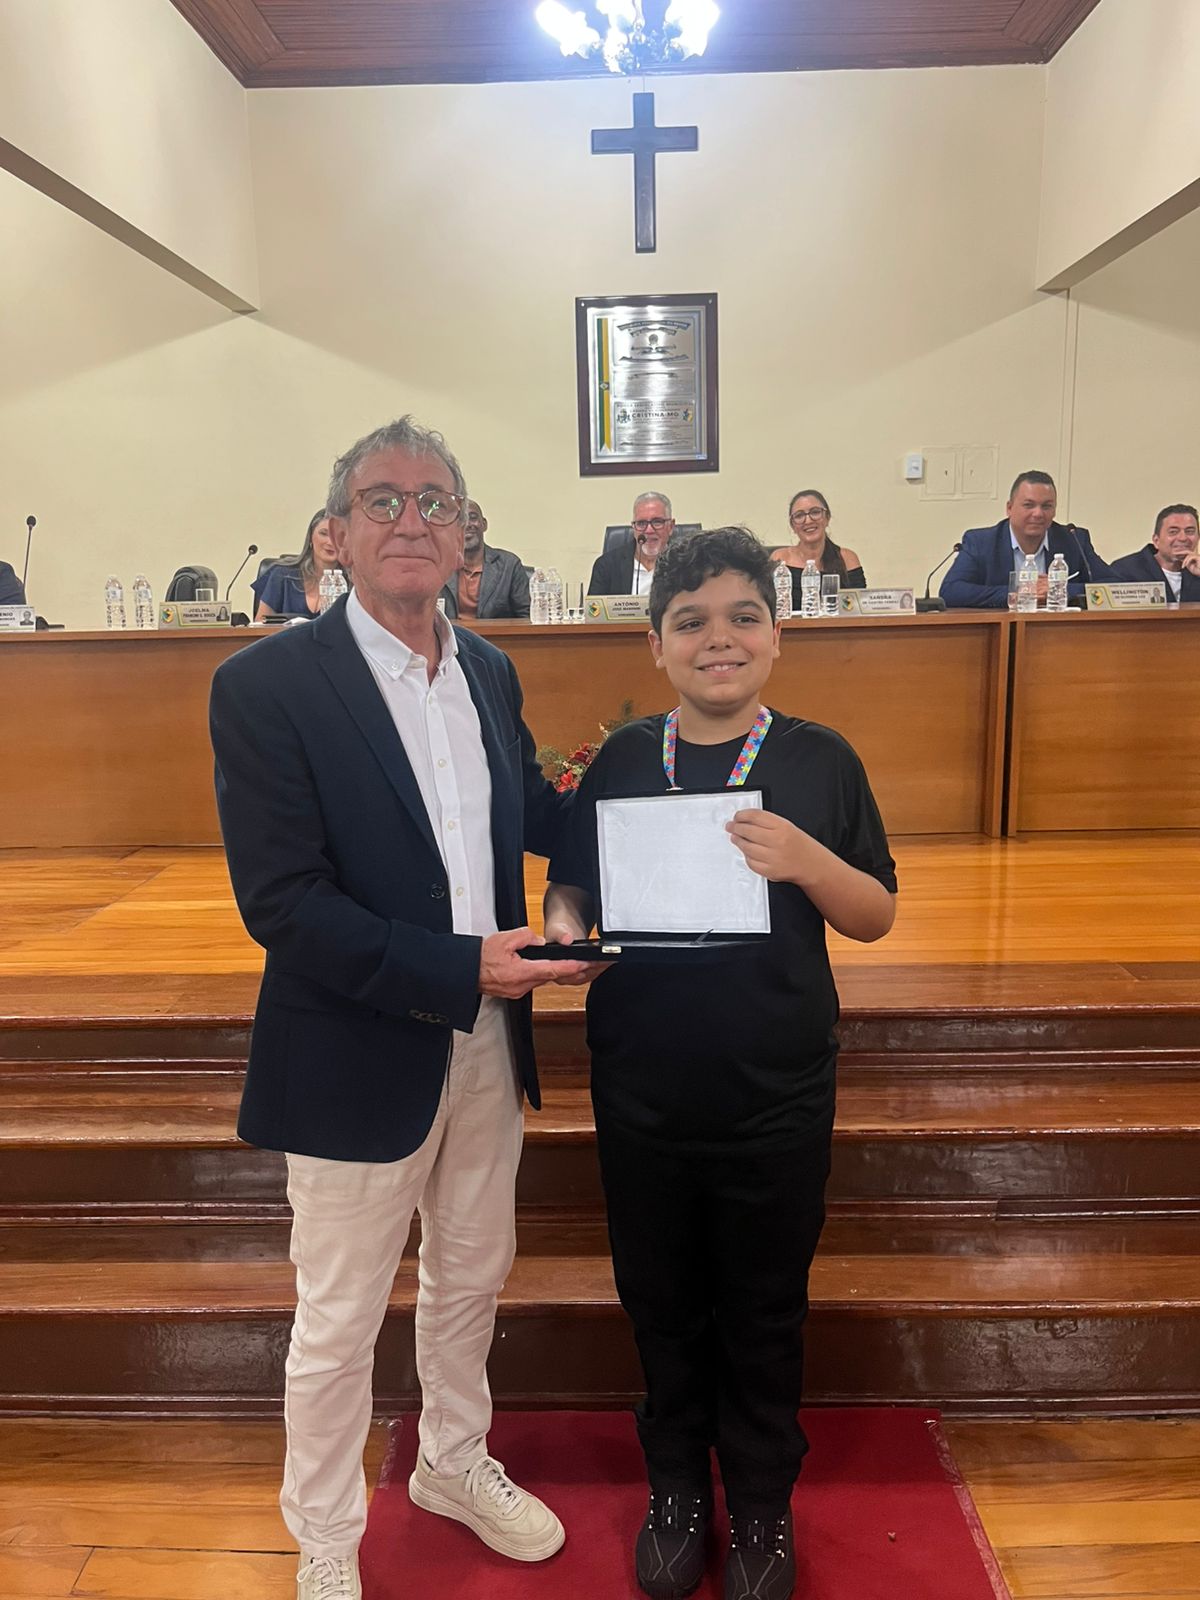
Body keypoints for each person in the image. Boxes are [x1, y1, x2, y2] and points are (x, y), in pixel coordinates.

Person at [209, 416, 602, 1600]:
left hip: (487, 1042)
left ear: (466, 537)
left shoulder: (486, 669)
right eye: (383, 500)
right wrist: (461, 968)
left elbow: (536, 813)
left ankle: (451, 1460)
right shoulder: (265, 686)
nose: (412, 520)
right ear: (335, 535)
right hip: (353, 1047)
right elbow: (284, 904)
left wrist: (613, 857)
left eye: (437, 502)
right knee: (338, 1316)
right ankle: (326, 1531)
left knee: (472, 1276)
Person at [543, 527, 897, 1600]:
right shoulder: (619, 759)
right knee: (659, 1298)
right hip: (641, 1086)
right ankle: (674, 1486)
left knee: (763, 1304)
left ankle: (760, 1499)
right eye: (690, 621)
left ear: (778, 635)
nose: (719, 639)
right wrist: (566, 933)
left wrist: (808, 858)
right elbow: (571, 886)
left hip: (774, 1092)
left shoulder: (821, 761)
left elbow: (874, 913)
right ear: (656, 644)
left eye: (744, 616)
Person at [940, 470, 1113, 609]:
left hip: (1061, 634)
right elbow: (951, 591)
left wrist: (1059, 589)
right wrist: (1018, 594)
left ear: (1054, 510)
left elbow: (1115, 587)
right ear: (1009, 508)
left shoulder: (1074, 540)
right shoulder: (981, 542)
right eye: (1029, 505)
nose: (1038, 514)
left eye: (1046, 506)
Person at [769, 490, 866, 605]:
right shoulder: (780, 558)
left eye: (815, 512)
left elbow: (859, 607)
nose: (808, 520)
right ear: (793, 526)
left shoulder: (847, 558)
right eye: (799, 516)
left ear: (827, 518)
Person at [439, 500, 531, 618]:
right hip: (451, 630)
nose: (467, 524)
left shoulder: (509, 565)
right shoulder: (439, 565)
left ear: (484, 524)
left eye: (472, 518)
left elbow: (526, 616)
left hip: (496, 631)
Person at [253, 508, 344, 620]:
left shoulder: (355, 581)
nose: (330, 542)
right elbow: (260, 624)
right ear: (310, 538)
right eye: (324, 534)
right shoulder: (282, 576)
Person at [588, 491, 677, 596]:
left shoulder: (687, 565)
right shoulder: (606, 566)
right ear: (634, 528)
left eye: (657, 522)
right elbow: (594, 606)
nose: (649, 530)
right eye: (641, 523)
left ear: (671, 527)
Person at [1111, 504, 1200, 604]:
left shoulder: (1198, 570)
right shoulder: (1125, 570)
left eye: (1190, 531)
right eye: (1173, 532)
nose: (1183, 538)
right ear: (1156, 540)